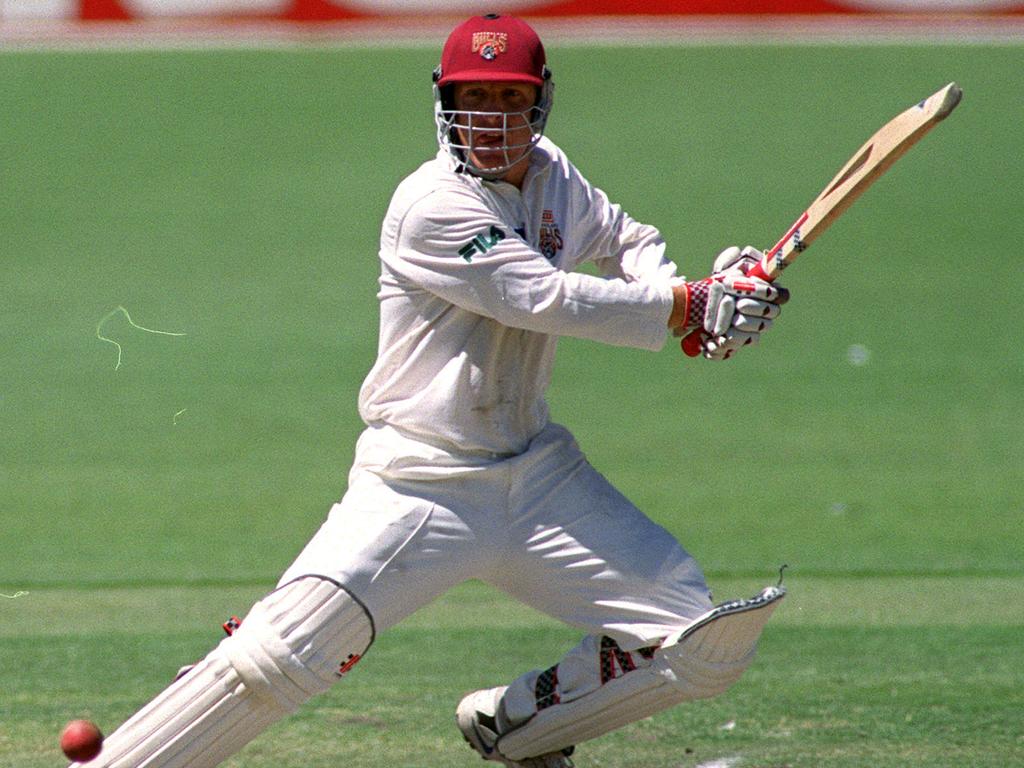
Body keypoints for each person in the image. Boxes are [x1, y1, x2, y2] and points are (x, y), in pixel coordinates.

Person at [71, 13, 789, 768]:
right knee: (282, 654)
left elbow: (624, 240)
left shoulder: (554, 175)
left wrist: (696, 296)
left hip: (537, 476)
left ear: (537, 105)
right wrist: (688, 309)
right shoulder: (430, 205)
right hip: (422, 480)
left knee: (700, 642)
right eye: (472, 97)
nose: (489, 118)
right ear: (444, 102)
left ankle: (519, 724)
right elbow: (541, 297)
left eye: (507, 100)